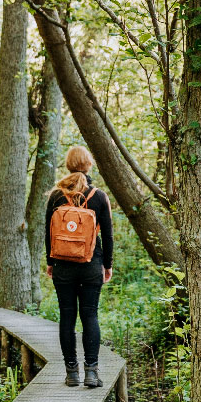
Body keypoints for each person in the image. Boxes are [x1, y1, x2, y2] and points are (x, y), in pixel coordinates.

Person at [45, 146, 113, 389]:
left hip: (63, 266)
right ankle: (92, 373)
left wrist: (50, 262)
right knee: (90, 315)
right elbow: (107, 235)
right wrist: (107, 265)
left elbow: (48, 233)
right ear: (89, 164)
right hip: (90, 265)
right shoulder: (99, 196)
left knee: (67, 316)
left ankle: (72, 373)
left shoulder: (56, 196)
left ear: (68, 165)